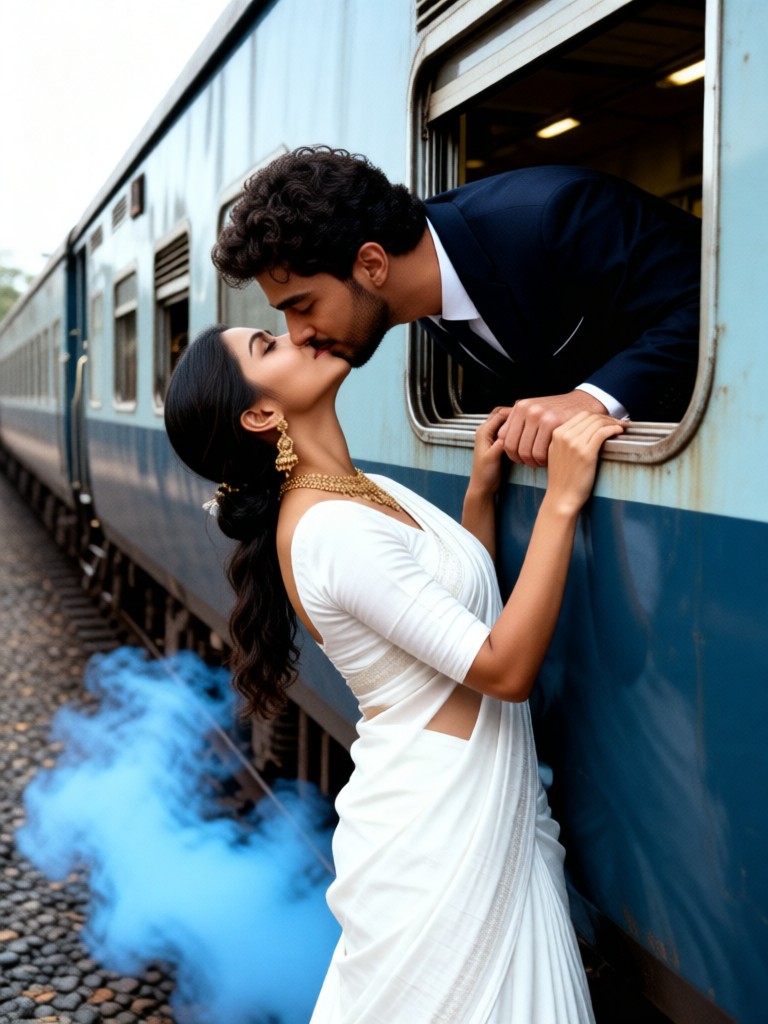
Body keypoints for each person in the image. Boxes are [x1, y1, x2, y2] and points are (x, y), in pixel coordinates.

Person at [163, 322, 625, 1022]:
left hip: (468, 802)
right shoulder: (327, 529)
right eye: (268, 345)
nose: (297, 334)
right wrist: (560, 500)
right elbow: (501, 670)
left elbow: (445, 613)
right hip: (438, 829)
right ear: (261, 414)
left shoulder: (361, 491)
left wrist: (479, 494)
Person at [211, 145, 701, 467]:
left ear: (372, 264)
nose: (296, 334)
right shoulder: (417, 303)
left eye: (302, 305)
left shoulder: (558, 215)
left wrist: (592, 397)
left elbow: (718, 300)